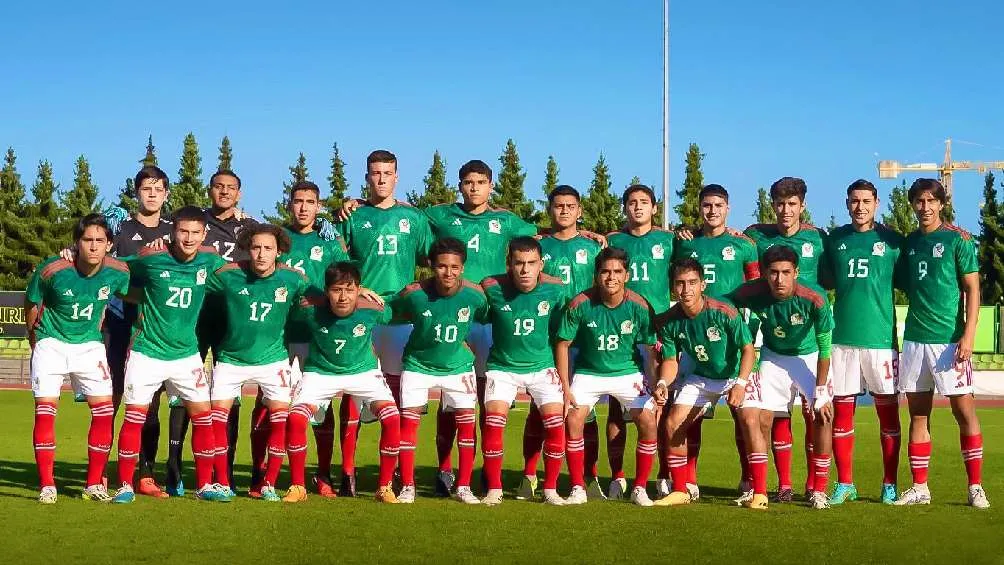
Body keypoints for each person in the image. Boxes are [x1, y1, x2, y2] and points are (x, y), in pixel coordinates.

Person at [111, 206, 228, 503]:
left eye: (195, 232)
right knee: (135, 417)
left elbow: (245, 273)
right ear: (172, 232)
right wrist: (72, 253)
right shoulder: (151, 258)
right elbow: (111, 267)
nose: (188, 238)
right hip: (147, 352)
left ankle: (203, 486)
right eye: (183, 231)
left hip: (187, 355)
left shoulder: (211, 261)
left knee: (203, 418)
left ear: (204, 234)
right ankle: (125, 484)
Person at [335, 149, 433, 496]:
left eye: (386, 173)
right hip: (361, 313)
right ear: (366, 177)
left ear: (397, 176)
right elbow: (336, 264)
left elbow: (438, 259)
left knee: (398, 397)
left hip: (400, 318)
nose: (380, 179)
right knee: (353, 393)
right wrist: (358, 289)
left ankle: (392, 475)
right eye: (374, 173)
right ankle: (347, 473)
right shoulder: (352, 215)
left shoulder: (415, 218)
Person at [893, 178, 989, 508]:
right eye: (919, 201)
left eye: (931, 201)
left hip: (949, 341)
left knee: (964, 412)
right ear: (913, 205)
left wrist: (969, 334)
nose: (925, 207)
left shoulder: (958, 240)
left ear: (941, 204)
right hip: (916, 340)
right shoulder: (910, 243)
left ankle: (975, 486)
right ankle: (920, 488)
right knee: (918, 417)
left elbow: (973, 290)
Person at [26, 214, 131, 503]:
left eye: (100, 240)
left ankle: (94, 484)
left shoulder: (119, 271)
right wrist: (35, 340)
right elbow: (32, 302)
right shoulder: (53, 268)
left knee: (104, 412)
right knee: (46, 411)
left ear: (109, 244)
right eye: (87, 240)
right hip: (52, 344)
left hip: (90, 347)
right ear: (76, 243)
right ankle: (48, 485)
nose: (94, 246)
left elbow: (138, 287)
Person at [205, 224, 308, 501]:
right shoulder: (228, 275)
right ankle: (224, 483)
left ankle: (268, 484)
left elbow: (326, 297)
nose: (261, 254)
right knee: (217, 422)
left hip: (272, 360)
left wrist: (362, 292)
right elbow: (191, 279)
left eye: (268, 248)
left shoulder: (294, 279)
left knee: (279, 421)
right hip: (230, 359)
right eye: (256, 247)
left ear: (279, 251)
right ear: (248, 248)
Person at [728, 245, 835, 509]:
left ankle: (819, 490)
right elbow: (724, 303)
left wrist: (821, 391)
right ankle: (760, 490)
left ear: (796, 272)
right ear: (764, 273)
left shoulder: (815, 298)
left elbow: (825, 349)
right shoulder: (752, 291)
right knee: (760, 419)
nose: (779, 279)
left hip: (808, 357)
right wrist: (743, 328)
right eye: (773, 273)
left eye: (786, 272)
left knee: (823, 415)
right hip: (773, 356)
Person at [284, 262, 401, 504]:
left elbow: (396, 311)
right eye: (337, 290)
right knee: (296, 418)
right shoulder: (308, 308)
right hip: (320, 372)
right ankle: (297, 486)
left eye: (350, 289)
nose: (343, 297)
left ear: (359, 289)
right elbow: (295, 299)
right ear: (326, 291)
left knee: (392, 418)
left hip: (363, 372)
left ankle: (384, 487)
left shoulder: (374, 308)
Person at [671, 184, 759, 499]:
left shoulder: (744, 246)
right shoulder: (684, 244)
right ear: (699, 208)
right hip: (694, 337)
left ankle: (749, 479)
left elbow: (756, 285)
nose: (712, 211)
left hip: (733, 339)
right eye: (707, 205)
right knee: (691, 414)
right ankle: (688, 480)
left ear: (728, 208)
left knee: (743, 414)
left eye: (718, 205)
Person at [744, 176, 827, 502]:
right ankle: (784, 485)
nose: (785, 210)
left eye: (792, 204)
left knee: (817, 414)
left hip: (808, 345)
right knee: (773, 416)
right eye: (779, 203)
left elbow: (831, 276)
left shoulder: (819, 238)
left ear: (802, 206)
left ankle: (816, 486)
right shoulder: (755, 236)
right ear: (772, 205)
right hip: (774, 347)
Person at [557, 247, 659, 507]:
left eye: (617, 272)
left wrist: (655, 384)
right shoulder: (580, 303)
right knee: (573, 418)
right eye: (605, 271)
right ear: (595, 275)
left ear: (626, 275)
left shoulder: (639, 305)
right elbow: (562, 344)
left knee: (648, 421)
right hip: (589, 372)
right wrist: (566, 387)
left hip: (627, 371)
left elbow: (649, 349)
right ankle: (578, 487)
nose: (611, 277)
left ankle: (639, 488)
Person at [822, 179, 903, 505]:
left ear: (877, 203)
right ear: (847, 204)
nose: (860, 207)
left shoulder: (893, 241)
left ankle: (889, 484)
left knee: (889, 416)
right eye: (854, 201)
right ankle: (845, 484)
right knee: (842, 416)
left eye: (866, 201)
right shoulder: (835, 240)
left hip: (880, 341)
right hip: (842, 341)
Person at [521, 185, 603, 501]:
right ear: (550, 210)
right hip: (547, 338)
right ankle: (529, 475)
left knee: (587, 410)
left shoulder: (594, 247)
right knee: (541, 410)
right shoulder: (539, 247)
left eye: (571, 206)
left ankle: (589, 477)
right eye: (558, 206)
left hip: (585, 337)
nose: (565, 211)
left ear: (579, 210)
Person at [651, 257, 755, 506]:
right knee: (673, 423)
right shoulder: (669, 321)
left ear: (703, 285)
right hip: (701, 377)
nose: (686, 290)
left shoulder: (724, 311)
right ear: (672, 287)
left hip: (734, 375)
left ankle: (757, 490)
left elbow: (748, 350)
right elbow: (671, 360)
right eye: (680, 284)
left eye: (692, 283)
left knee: (751, 422)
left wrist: (740, 384)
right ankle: (680, 489)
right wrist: (663, 383)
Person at [392, 238, 488, 504]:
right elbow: (391, 311)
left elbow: (487, 317)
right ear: (432, 266)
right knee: (409, 425)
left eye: (455, 267)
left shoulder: (475, 295)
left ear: (463, 268)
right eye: (442, 266)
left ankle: (465, 486)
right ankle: (408, 486)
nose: (449, 273)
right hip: (418, 365)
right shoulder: (414, 293)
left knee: (467, 426)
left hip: (458, 367)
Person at [480, 237, 567, 506]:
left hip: (542, 367)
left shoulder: (556, 290)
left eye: (531, 263)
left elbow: (560, 332)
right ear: (509, 264)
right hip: (502, 368)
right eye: (519, 263)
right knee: (493, 422)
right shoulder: (490, 287)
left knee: (555, 424)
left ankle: (550, 489)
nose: (525, 270)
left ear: (541, 264)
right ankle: (494, 489)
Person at [106, 166, 174, 499]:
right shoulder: (120, 229)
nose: (151, 194)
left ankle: (146, 473)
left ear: (166, 193)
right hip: (121, 321)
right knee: (113, 397)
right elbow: (94, 259)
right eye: (145, 188)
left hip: (156, 327)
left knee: (150, 403)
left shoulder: (176, 232)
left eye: (157, 189)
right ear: (137, 193)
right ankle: (103, 470)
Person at [603, 184, 675, 500]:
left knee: (660, 406)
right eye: (631, 202)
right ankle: (618, 477)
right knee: (619, 409)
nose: (637, 207)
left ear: (654, 208)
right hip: (621, 330)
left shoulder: (670, 240)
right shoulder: (612, 240)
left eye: (644, 202)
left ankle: (662, 475)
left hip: (658, 329)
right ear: (625, 208)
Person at [279, 180, 350, 498]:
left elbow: (347, 283)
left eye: (310, 201)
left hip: (315, 335)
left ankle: (322, 474)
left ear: (318, 206)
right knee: (274, 406)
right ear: (289, 204)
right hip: (278, 335)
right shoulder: (277, 239)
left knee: (319, 407)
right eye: (298, 201)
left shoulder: (330, 240)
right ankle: (262, 474)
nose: (304, 207)